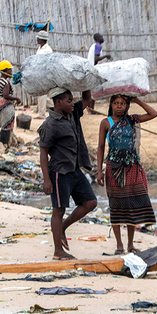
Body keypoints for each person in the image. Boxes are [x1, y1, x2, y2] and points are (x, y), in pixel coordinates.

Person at [39, 87, 97, 260]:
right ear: (58, 103)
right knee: (58, 209)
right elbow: (43, 153)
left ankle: (63, 227)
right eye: (69, 101)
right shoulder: (50, 125)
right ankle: (58, 251)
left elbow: (87, 98)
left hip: (74, 169)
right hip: (59, 172)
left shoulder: (72, 113)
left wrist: (84, 82)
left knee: (90, 202)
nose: (73, 103)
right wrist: (46, 179)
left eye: (73, 100)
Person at [97, 95, 157, 254]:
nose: (119, 106)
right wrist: (99, 171)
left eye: (123, 103)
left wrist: (137, 100)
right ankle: (119, 245)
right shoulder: (106, 122)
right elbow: (101, 147)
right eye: (116, 103)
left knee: (132, 204)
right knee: (116, 205)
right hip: (113, 167)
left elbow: (153, 114)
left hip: (132, 166)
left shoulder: (132, 120)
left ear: (127, 105)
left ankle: (130, 245)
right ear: (111, 104)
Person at [0, 60, 22, 150]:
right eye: (10, 70)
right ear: (5, 71)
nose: (11, 72)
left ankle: (1, 142)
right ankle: (5, 144)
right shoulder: (5, 83)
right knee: (7, 125)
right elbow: (6, 95)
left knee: (1, 125)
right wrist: (16, 98)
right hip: (5, 105)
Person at [35, 32, 54, 117]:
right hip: (39, 72)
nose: (37, 39)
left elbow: (48, 63)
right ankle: (54, 107)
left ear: (42, 39)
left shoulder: (48, 50)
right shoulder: (40, 48)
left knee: (41, 94)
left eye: (38, 38)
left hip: (44, 74)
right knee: (43, 95)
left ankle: (42, 113)